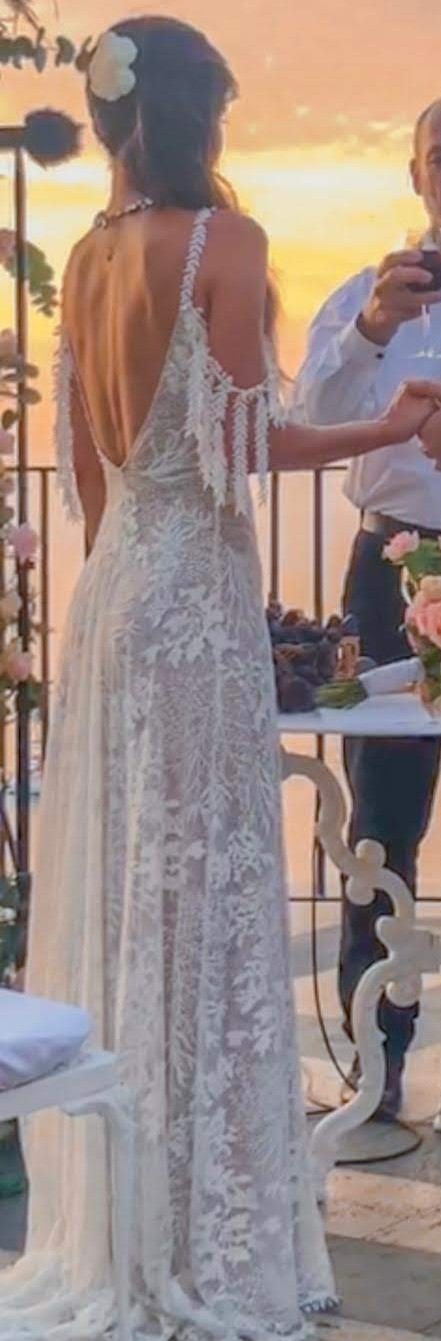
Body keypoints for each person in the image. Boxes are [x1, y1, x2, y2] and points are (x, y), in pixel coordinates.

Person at [1, 20, 440, 1340]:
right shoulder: (222, 243)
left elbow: (92, 471)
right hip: (193, 597)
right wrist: (389, 424)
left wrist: (123, 581)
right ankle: (208, 1224)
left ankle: (129, 1221)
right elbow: (250, 441)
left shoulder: (89, 255)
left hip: (115, 599)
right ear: (202, 116)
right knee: (209, 891)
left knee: (137, 890)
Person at [292, 99, 441, 1121]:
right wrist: (372, 330)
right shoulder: (364, 295)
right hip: (386, 579)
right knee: (381, 828)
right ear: (416, 172)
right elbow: (306, 415)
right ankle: (376, 1065)